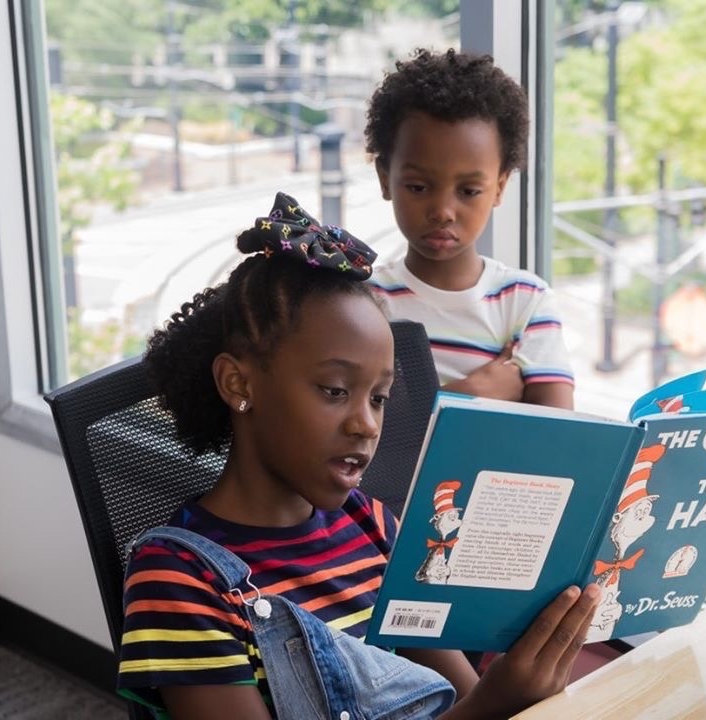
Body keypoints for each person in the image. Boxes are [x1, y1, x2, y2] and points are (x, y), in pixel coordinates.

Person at [117, 192, 600, 719]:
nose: (366, 424)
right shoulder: (180, 579)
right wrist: (498, 701)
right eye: (333, 390)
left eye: (379, 398)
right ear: (239, 382)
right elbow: (478, 708)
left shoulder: (372, 525)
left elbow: (459, 697)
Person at [366, 48, 575, 409]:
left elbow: (555, 439)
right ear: (385, 178)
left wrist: (422, 408)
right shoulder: (365, 302)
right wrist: (471, 396)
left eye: (468, 191)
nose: (443, 211)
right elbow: (360, 432)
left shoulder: (526, 303)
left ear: (500, 187)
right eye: (418, 187)